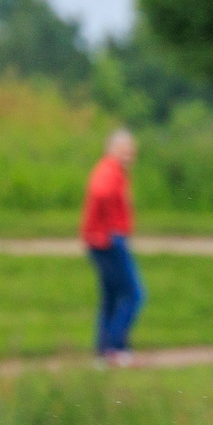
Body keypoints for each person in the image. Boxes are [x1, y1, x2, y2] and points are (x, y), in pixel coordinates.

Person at [82, 129, 144, 365]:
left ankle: (103, 349)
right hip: (108, 240)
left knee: (110, 295)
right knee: (133, 293)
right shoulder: (110, 170)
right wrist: (112, 227)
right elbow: (101, 193)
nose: (131, 154)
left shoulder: (110, 170)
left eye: (132, 149)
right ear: (114, 149)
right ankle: (115, 347)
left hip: (99, 239)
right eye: (126, 149)